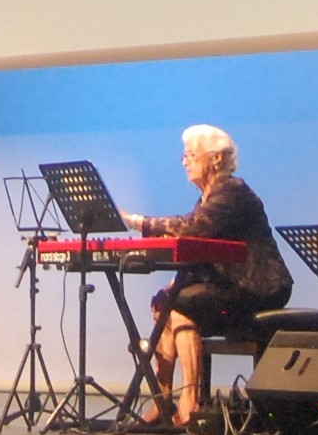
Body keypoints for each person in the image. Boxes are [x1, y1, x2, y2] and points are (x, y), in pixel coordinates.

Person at [119, 124, 292, 427]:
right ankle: (163, 400)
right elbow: (201, 247)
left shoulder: (233, 191)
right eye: (184, 156)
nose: (185, 162)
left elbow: (194, 228)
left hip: (257, 288)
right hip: (227, 286)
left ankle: (190, 399)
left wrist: (137, 222)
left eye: (191, 155)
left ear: (216, 158)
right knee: (165, 302)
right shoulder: (206, 199)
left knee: (180, 304)